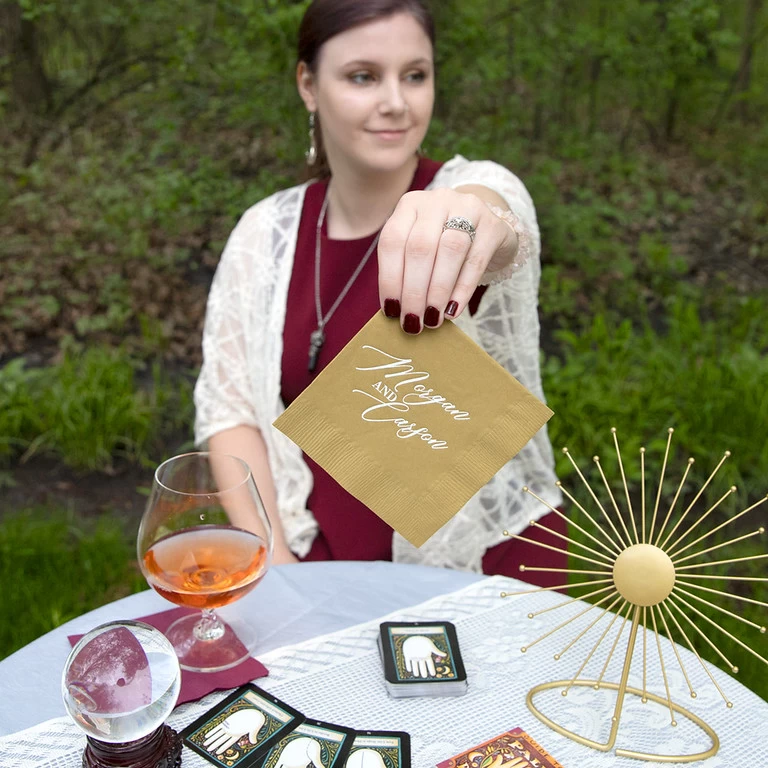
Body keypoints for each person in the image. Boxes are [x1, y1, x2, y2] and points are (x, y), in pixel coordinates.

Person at [194, 0, 564, 582]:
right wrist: (276, 564)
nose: (396, 102)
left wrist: (469, 218)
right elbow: (231, 409)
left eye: (415, 75)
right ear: (309, 85)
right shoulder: (265, 234)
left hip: (484, 564)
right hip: (319, 564)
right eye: (363, 76)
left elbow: (500, 222)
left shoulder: (467, 190)